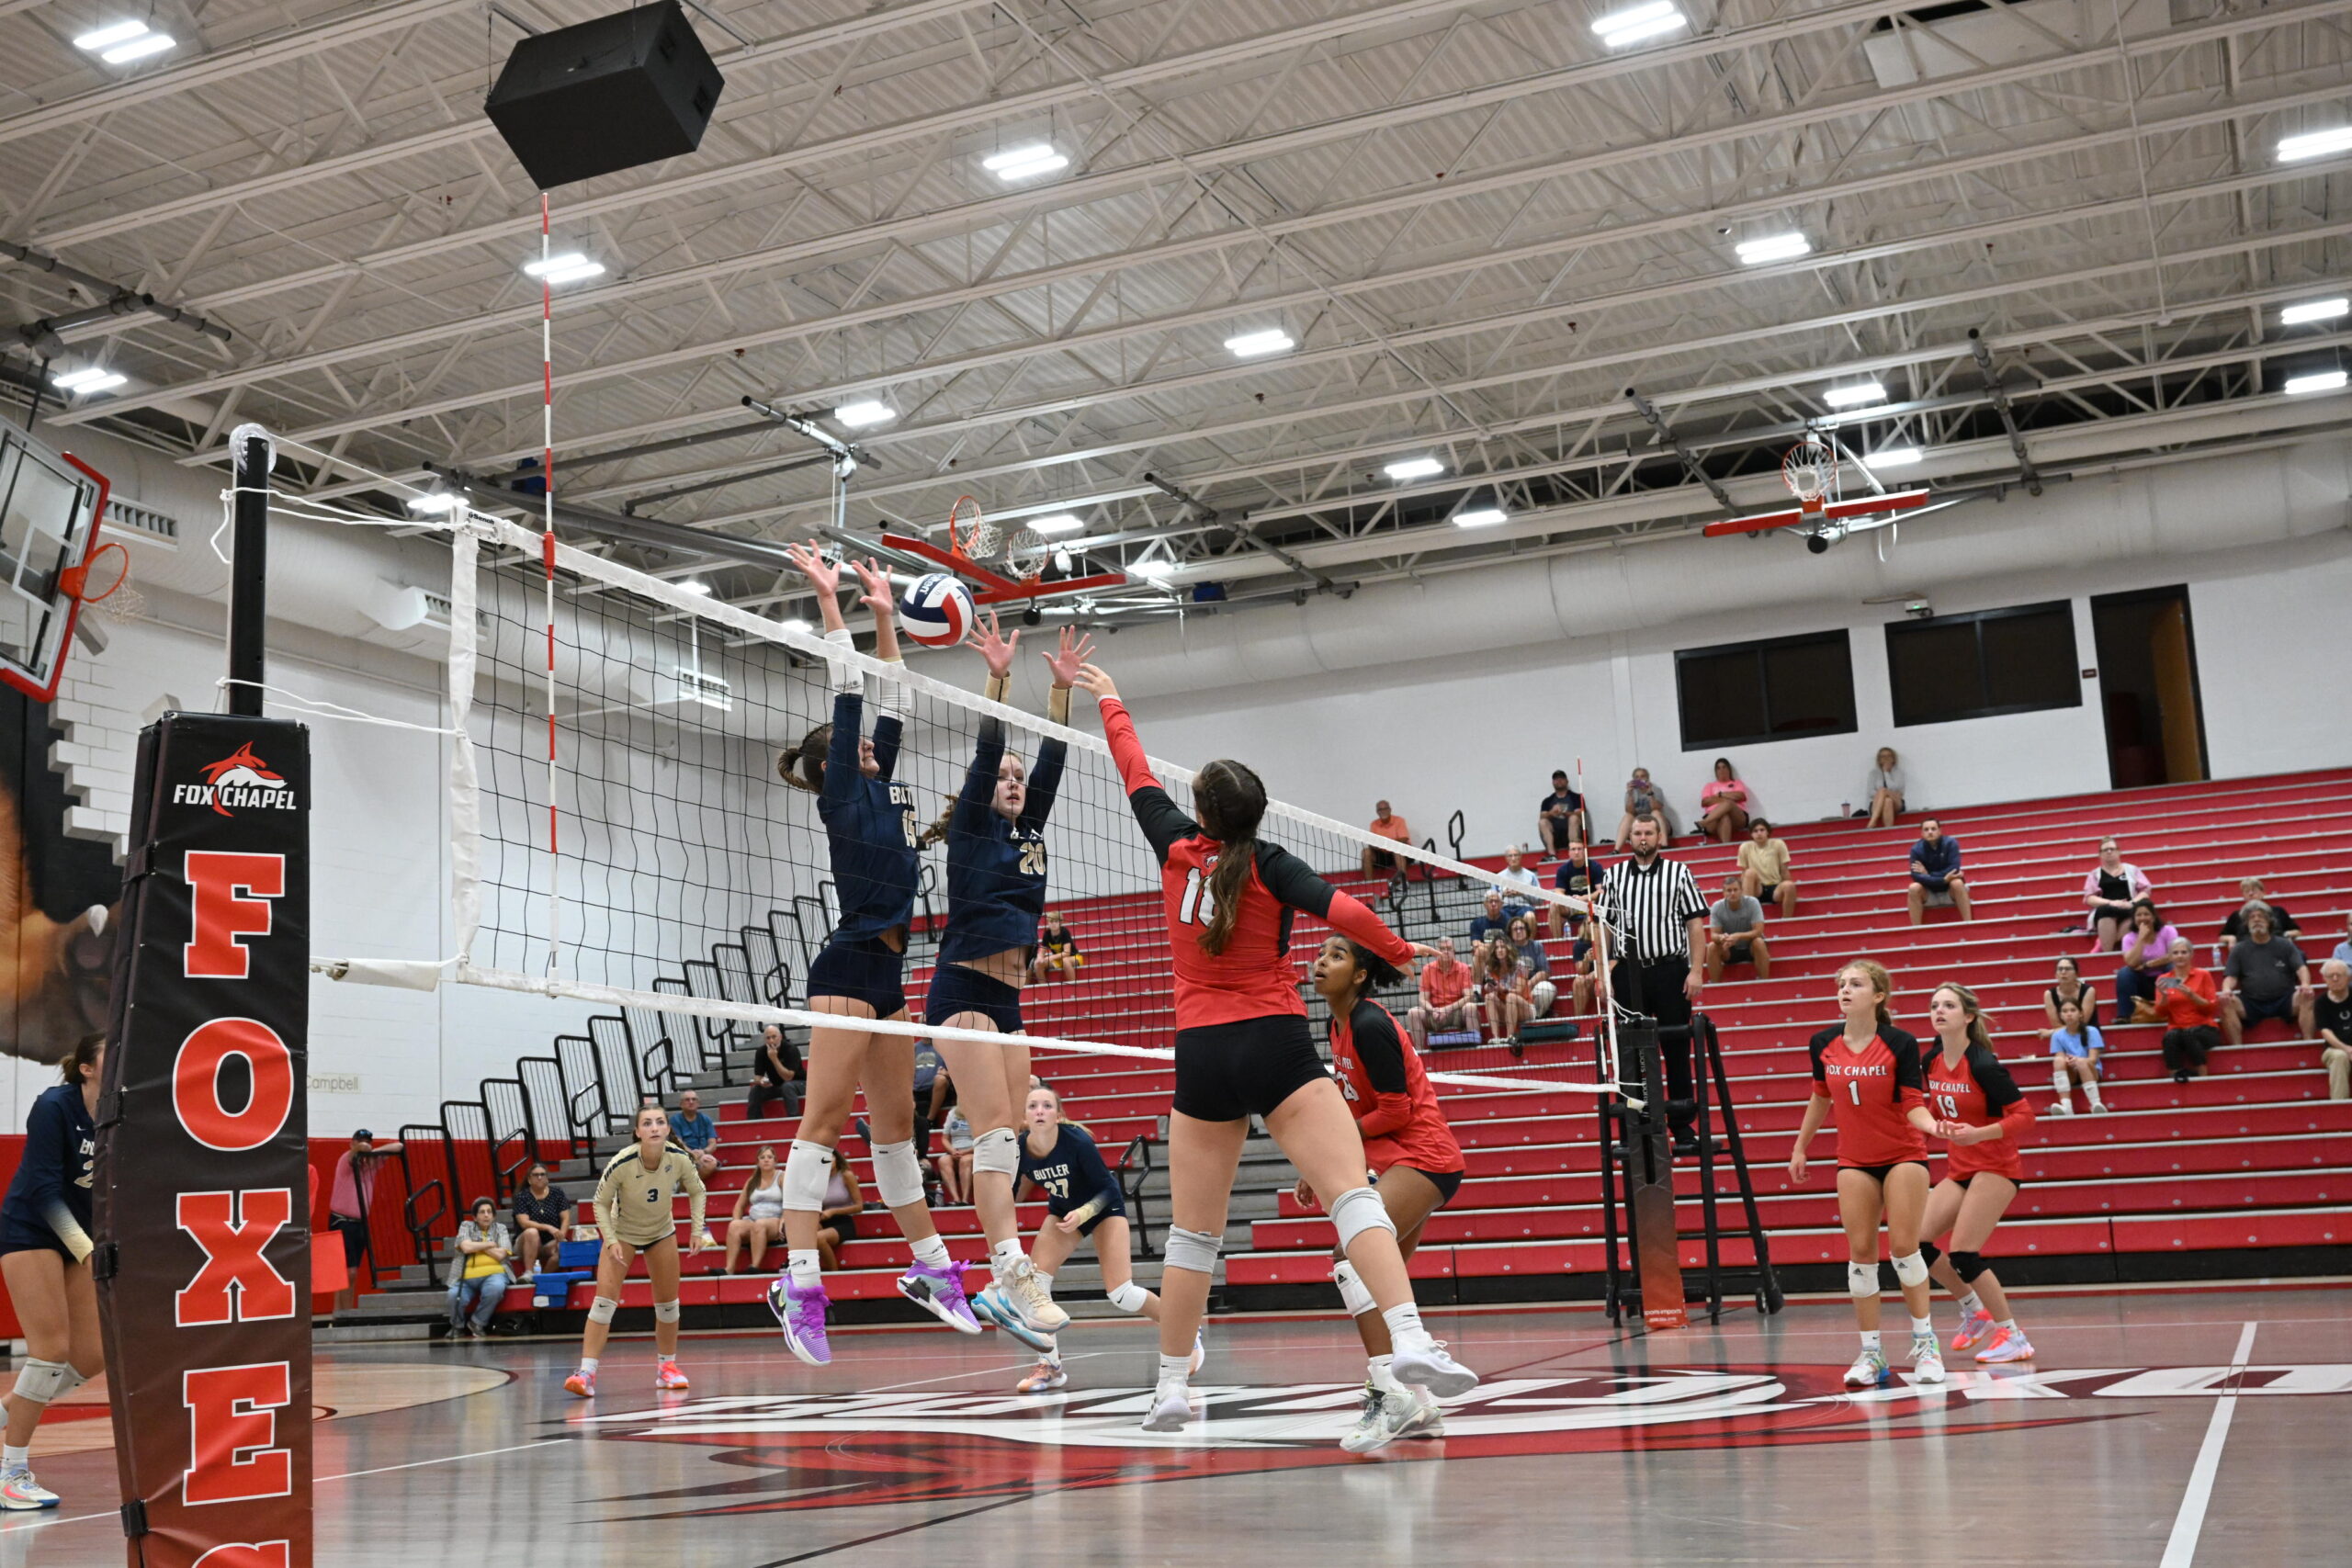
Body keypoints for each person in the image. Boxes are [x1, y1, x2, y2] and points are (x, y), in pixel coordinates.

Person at [1074, 658, 1476, 1436]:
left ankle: (1169, 1389)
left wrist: (1109, 696)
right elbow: (1350, 910)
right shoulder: (1268, 863)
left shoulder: (1172, 844)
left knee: (1193, 1235)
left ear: (1202, 812)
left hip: (1201, 1054)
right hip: (1274, 1041)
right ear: (1256, 814)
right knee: (1354, 1197)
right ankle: (1413, 1339)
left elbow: (1132, 771)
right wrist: (1398, 951)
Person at [766, 545, 978, 1365]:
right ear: (834, 766)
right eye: (857, 748)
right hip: (848, 966)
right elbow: (851, 685)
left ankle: (929, 1271)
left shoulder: (879, 779)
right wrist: (831, 602)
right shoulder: (846, 789)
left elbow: (892, 694)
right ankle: (799, 1281)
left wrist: (887, 609)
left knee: (896, 1133)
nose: (875, 751)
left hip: (889, 973)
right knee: (822, 1123)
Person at [914, 615, 1092, 1352]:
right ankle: (1008, 1266)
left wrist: (1058, 689)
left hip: (1009, 1000)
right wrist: (998, 677)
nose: (1015, 782)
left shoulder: (1027, 832)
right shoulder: (972, 834)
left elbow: (1052, 758)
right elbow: (992, 748)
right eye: (1005, 778)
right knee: (990, 1134)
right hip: (960, 991)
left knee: (1012, 1138)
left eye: (1020, 779)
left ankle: (1001, 1279)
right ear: (986, 790)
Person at [1306, 936, 1465, 1453]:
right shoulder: (1337, 1024)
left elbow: (1395, 1112)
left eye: (1336, 955)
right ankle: (1418, 1403)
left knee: (1351, 1259)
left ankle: (1390, 1393)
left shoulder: (1371, 1024)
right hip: (1403, 1159)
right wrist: (1322, 1158)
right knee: (1375, 1278)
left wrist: (1332, 1150)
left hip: (1424, 1157)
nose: (1319, 961)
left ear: (1358, 975)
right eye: (1321, 954)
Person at [1788, 961, 1944, 1389]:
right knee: (1860, 1256)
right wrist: (1802, 1146)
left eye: (1856, 984)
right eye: (1841, 983)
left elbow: (1913, 1101)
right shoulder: (1822, 1043)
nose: (1845, 989)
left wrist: (1934, 1128)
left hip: (1903, 1155)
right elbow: (1820, 1097)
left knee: (1903, 1249)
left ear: (1878, 996)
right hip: (1854, 1159)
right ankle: (1872, 1354)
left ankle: (1926, 1345)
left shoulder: (1900, 1043)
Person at [1000, 1085, 1195, 1394]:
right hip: (1063, 1212)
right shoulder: (1018, 1147)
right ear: (1023, 1117)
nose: (1039, 1111)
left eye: (1047, 1106)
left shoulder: (1077, 1142)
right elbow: (1007, 1189)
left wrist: (1084, 1211)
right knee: (1033, 1288)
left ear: (1059, 1115)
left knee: (1122, 1293)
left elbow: (1108, 1188)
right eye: (1033, 1106)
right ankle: (1050, 1366)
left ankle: (1186, 1334)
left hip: (1104, 1208)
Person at [0, 1034, 103, 1509]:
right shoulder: (54, 1106)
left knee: (92, 1354)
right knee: (50, 1351)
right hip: (32, 1230)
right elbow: (42, 1190)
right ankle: (12, 1471)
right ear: (86, 1068)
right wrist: (85, 1250)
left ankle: (7, 1414)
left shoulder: (127, 1112)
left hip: (80, 1237)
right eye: (112, 1053)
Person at [1919, 983, 2037, 1364]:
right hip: (1961, 1168)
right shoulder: (1931, 1060)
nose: (1939, 1010)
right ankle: (1974, 1310)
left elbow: (2025, 1117)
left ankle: (2015, 1336)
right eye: (1934, 1004)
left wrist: (1979, 1134)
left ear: (1967, 1016)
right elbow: (1941, 1108)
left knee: (1964, 1253)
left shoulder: (1984, 1064)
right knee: (1914, 1246)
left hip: (1997, 1167)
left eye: (1949, 1005)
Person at [565, 1105, 707, 1398]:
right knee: (604, 1303)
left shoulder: (679, 1159)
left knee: (668, 1305)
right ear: (637, 1132)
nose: (654, 1127)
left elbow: (698, 1191)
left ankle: (667, 1368)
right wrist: (611, 1238)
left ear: (668, 1129)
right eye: (647, 1123)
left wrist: (696, 1231)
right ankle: (586, 1372)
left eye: (659, 1122)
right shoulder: (622, 1162)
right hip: (623, 1233)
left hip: (660, 1232)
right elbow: (599, 1203)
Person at [1597, 814, 1710, 1155]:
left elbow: (1695, 925)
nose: (1643, 837)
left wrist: (1696, 971)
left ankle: (1682, 1125)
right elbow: (1602, 927)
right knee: (1631, 1053)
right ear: (1629, 837)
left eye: (1648, 832)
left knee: (1676, 1049)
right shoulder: (1614, 876)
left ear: (1659, 836)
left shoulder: (1679, 872)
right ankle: (1636, 1127)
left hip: (1670, 970)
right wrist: (1603, 973)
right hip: (1629, 974)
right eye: (1637, 832)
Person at [327, 1127, 404, 1313]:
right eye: (361, 1141)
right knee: (348, 1272)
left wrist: (372, 1153)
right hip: (342, 1221)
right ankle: (343, 1314)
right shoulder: (347, 1160)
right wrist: (360, 1149)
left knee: (351, 1273)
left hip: (359, 1223)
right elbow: (356, 1151)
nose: (365, 1144)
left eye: (369, 1141)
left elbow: (399, 1146)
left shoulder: (372, 1162)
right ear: (351, 1143)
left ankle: (341, 1314)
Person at [2221, 905, 2314, 1044]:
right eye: (2252, 917)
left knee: (2307, 996)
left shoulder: (2285, 945)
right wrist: (2227, 990)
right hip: (2251, 1002)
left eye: (2261, 916)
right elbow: (2231, 977)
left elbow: (2301, 968)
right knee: (2226, 1002)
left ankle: (2309, 1043)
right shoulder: (2239, 949)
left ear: (2270, 921)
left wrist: (2305, 984)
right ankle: (2237, 1048)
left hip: (2285, 999)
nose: (2256, 920)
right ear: (2246, 924)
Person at [2154, 937, 2222, 1083]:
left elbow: (2211, 1008)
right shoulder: (2164, 979)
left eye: (2184, 952)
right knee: (2170, 1037)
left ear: (2191, 955)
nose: (2180, 956)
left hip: (2204, 1027)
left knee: (2189, 1033)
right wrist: (2165, 997)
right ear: (2170, 956)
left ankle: (2203, 1076)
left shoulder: (2203, 975)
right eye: (2176, 952)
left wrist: (2192, 995)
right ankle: (2175, 1076)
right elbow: (2160, 1013)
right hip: (2177, 1028)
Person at [446, 1198, 513, 1339]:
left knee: (495, 1288)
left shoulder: (501, 1229)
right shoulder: (466, 1226)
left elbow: (501, 1255)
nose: (486, 1215)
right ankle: (457, 1327)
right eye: (482, 1212)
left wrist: (476, 1245)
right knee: (453, 1295)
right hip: (465, 1276)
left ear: (494, 1216)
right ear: (475, 1217)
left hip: (495, 1273)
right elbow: (465, 1247)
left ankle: (477, 1322)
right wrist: (489, 1244)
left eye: (489, 1212)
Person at [2114, 899, 2182, 1021]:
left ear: (2154, 916)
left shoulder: (2168, 931)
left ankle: (2177, 1008)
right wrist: (2140, 938)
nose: (2142, 918)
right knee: (2125, 973)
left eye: (2146, 914)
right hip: (2142, 983)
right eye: (2138, 915)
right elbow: (2131, 963)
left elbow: (2174, 955)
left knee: (2172, 967)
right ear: (2134, 919)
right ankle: (2125, 1015)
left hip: (2163, 979)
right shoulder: (2129, 938)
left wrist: (2147, 965)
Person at [1406, 935, 1477, 1050]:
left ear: (1454, 951)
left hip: (1456, 1012)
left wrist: (1447, 1009)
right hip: (1435, 1014)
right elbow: (1422, 999)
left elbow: (1469, 996)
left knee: (1471, 1007)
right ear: (1436, 952)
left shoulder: (1463, 968)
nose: (1445, 952)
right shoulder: (1427, 969)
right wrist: (1433, 1010)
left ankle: (1475, 1050)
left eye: (1449, 948)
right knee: (1413, 1013)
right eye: (1442, 949)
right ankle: (1420, 1053)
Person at [724, 1145, 786, 1275]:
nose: (766, 1160)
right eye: (762, 1157)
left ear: (775, 1161)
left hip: (775, 1219)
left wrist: (783, 1220)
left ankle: (754, 1266)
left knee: (760, 1225)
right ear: (757, 1162)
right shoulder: (752, 1180)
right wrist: (737, 1219)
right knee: (734, 1225)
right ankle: (729, 1268)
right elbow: (739, 1205)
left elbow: (790, 1202)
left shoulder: (782, 1177)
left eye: (770, 1157)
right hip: (753, 1220)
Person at [2081, 837, 2152, 951]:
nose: (2109, 852)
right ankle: (2108, 951)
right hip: (2107, 908)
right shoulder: (2094, 874)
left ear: (2119, 851)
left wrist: (2132, 903)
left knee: (2137, 912)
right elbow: (2089, 898)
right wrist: (2111, 903)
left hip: (2128, 907)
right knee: (2105, 910)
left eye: (2112, 849)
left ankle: (2103, 944)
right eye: (2105, 850)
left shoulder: (2132, 869)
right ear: (2100, 854)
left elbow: (2145, 891)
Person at [510, 1162, 571, 1280]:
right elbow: (524, 1222)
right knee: (531, 1232)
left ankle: (542, 1278)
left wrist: (561, 1236)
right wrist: (548, 1227)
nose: (539, 1177)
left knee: (563, 1248)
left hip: (549, 1242)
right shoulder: (522, 1197)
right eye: (535, 1175)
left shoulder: (557, 1193)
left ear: (547, 1178)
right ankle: (529, 1272)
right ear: (529, 1179)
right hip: (526, 1242)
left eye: (542, 1174)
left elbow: (566, 1218)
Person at [2047, 998, 2108, 1115]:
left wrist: (2078, 1061)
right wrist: (2068, 1061)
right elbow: (2060, 1057)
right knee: (2058, 1061)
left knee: (2081, 1062)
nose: (2069, 1014)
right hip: (2072, 1073)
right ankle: (2066, 1106)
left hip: (2091, 1070)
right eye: (2065, 1011)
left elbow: (2093, 1059)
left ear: (2080, 1013)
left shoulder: (2092, 1031)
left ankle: (2096, 1104)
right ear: (2061, 1015)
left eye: (2072, 1010)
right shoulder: (2057, 1035)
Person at [1905, 818, 1973, 924]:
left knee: (1957, 883)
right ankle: (1916, 929)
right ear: (1922, 833)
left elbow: (1954, 869)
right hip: (1928, 893)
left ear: (1940, 831)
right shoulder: (1916, 849)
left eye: (1933, 829)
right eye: (1926, 830)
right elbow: (1916, 876)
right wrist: (1943, 879)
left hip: (1950, 892)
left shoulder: (1951, 843)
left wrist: (1928, 874)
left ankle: (1969, 924)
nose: (1930, 832)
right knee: (1913, 888)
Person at [1706, 874, 1771, 982]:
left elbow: (1759, 931)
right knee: (1712, 946)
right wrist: (1723, 938)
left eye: (1735, 890)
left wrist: (1738, 936)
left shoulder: (1753, 902)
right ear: (1724, 893)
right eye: (1729, 890)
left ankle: (1764, 982)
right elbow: (1713, 935)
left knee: (1759, 942)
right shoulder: (1717, 906)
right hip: (1729, 949)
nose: (1732, 893)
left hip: (1751, 947)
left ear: (1741, 890)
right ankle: (1715, 985)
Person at [1476, 931, 1534, 1048]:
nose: (1500, 950)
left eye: (1503, 947)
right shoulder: (1490, 968)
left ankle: (1510, 1037)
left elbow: (1518, 990)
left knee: (1511, 997)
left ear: (1508, 948)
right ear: (1493, 951)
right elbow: (1490, 989)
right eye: (1497, 948)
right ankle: (1495, 1038)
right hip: (1505, 1009)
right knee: (1489, 997)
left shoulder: (1520, 966)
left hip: (1524, 1008)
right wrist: (1489, 988)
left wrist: (1503, 989)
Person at [2218, 877, 2301, 958]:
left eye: (2254, 890)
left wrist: (2286, 935)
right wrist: (2231, 938)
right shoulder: (2237, 915)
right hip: (2247, 953)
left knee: (2300, 955)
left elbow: (2297, 931)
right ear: (2243, 895)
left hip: (2277, 950)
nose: (2251, 894)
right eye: (2247, 891)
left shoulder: (2278, 911)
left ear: (2263, 893)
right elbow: (2222, 936)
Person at [1737, 819, 1798, 918]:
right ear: (1751, 834)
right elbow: (1743, 874)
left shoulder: (1778, 844)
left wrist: (1791, 893)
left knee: (1789, 885)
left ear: (1768, 832)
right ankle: (1747, 917)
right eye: (1755, 831)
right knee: (1749, 873)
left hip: (1775, 888)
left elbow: (1784, 870)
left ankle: (1787, 919)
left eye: (1762, 830)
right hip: (1757, 888)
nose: (1759, 833)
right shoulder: (1745, 847)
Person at [816, 1147, 864, 1272]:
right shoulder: (818, 1180)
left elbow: (859, 1206)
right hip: (823, 1221)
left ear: (836, 1158)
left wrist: (833, 1211)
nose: (828, 1161)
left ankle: (834, 1273)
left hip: (843, 1222)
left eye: (830, 1157)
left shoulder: (846, 1176)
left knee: (818, 1238)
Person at [1548, 839, 1603, 941]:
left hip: (1590, 903)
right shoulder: (1562, 870)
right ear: (1569, 852)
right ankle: (1558, 942)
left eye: (1579, 849)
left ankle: (1596, 940)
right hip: (1571, 905)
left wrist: (1583, 898)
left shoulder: (1595, 867)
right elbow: (1558, 891)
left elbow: (1601, 891)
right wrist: (1569, 899)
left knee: (1598, 902)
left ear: (1584, 851)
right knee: (1553, 905)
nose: (1576, 852)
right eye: (1573, 849)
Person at [2039, 955, 2101, 1045]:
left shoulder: (2088, 990)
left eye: (2068, 969)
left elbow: (2082, 1022)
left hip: (2088, 1035)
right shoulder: (2049, 994)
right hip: (2064, 1037)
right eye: (2060, 969)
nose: (2063, 972)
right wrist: (2056, 1031)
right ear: (2055, 974)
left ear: (2077, 973)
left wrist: (2051, 1032)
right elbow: (2056, 1025)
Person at [746, 1024, 803, 1120]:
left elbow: (788, 1077)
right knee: (755, 1090)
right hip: (777, 1085)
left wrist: (774, 1059)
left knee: (787, 1086)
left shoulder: (791, 1049)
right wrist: (761, 1081)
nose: (771, 1041)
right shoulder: (761, 1052)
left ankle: (793, 1119)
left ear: (780, 1037)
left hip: (799, 1083)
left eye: (774, 1037)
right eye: (768, 1038)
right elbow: (757, 1076)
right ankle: (754, 1122)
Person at [1505, 915, 1556, 1020]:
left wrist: (1528, 985)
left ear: (1527, 930)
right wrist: (1518, 988)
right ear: (1510, 933)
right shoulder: (1507, 949)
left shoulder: (1536, 946)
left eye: (1521, 928)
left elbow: (1545, 972)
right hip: (1515, 988)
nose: (1519, 931)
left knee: (1548, 989)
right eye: (1515, 929)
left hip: (1533, 986)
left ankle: (1535, 1016)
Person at [2314, 960, 2352, 1100]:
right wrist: (2347, 1049)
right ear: (2324, 979)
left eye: (2339, 975)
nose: (2335, 979)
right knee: (2339, 1057)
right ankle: (2339, 1105)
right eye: (2331, 976)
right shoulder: (2321, 1002)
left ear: (2348, 977)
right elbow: (2325, 1031)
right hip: (2334, 1049)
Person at [1697, 757, 1752, 843]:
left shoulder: (1737, 783)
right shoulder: (1710, 786)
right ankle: (1726, 847)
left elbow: (1741, 796)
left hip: (1737, 817)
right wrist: (1729, 797)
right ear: (1716, 772)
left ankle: (1704, 823)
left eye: (1724, 767)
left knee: (1729, 803)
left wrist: (1720, 795)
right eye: (1718, 768)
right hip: (1714, 821)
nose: (1721, 770)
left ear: (1729, 769)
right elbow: (1705, 802)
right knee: (1724, 816)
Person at [1614, 767, 1670, 849]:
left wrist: (1650, 792)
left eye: (1642, 776)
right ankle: (1616, 849)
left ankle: (1664, 844)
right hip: (1639, 826)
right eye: (1637, 777)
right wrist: (1630, 794)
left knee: (1656, 812)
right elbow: (1630, 811)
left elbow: (1657, 807)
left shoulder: (1656, 790)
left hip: (1656, 824)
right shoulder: (1631, 792)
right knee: (1628, 816)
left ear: (1647, 778)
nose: (1640, 779)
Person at [671, 1089, 720, 1179]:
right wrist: (692, 1154)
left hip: (702, 1156)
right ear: (681, 1104)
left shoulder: (706, 1119)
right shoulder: (675, 1120)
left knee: (711, 1163)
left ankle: (684, 1186)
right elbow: (678, 1143)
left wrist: (703, 1152)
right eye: (687, 1099)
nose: (691, 1102)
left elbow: (713, 1144)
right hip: (684, 1157)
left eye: (694, 1099)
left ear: (698, 1103)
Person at [933, 1099, 975, 1204]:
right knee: (943, 1160)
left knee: (965, 1161)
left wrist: (965, 1152)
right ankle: (956, 1198)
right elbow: (945, 1138)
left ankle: (965, 1199)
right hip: (955, 1151)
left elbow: (981, 1139)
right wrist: (952, 1151)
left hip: (973, 1150)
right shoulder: (952, 1113)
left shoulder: (978, 1113)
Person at [1536, 772, 1588, 855]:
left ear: (1567, 781)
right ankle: (1552, 855)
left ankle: (1575, 851)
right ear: (1553, 782)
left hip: (1576, 836)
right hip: (1556, 837)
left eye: (1562, 778)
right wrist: (1551, 813)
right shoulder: (1548, 801)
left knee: (1573, 818)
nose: (1559, 780)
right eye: (1556, 779)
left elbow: (1580, 815)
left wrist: (1564, 812)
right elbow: (1542, 817)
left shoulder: (1576, 797)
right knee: (1542, 822)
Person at [1363, 799, 1414, 880]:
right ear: (1377, 812)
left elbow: (1404, 839)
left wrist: (1388, 846)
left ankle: (1404, 883)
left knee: (1397, 850)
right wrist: (1381, 847)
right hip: (1383, 854)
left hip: (1401, 852)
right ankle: (1369, 884)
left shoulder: (1399, 820)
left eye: (1385, 808)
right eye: (1380, 809)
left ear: (1390, 810)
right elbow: (1372, 843)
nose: (1383, 811)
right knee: (1366, 852)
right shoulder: (1374, 824)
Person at [1031, 909, 1084, 981]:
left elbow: (1067, 953)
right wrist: (1040, 958)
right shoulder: (1047, 934)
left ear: (1061, 922)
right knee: (1037, 963)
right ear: (1048, 923)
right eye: (1051, 921)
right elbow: (1042, 951)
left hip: (1074, 957)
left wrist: (1051, 957)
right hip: (1058, 959)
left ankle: (1073, 984)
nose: (1054, 924)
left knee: (1065, 960)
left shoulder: (1064, 932)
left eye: (1056, 921)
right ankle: (1043, 987)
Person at [1493, 846, 1542, 921]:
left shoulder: (1531, 876)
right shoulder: (1498, 877)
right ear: (1506, 858)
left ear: (1521, 857)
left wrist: (1523, 893)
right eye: (1510, 856)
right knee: (1497, 917)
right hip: (1504, 908)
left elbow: (1539, 900)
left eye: (1516, 855)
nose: (1513, 858)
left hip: (1524, 907)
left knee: (1530, 916)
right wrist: (1503, 894)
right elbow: (1492, 899)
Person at [1863, 747, 1906, 829]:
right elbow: (1871, 793)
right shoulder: (1873, 773)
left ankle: (1873, 821)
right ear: (1879, 760)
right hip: (1876, 803)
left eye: (1889, 756)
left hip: (1897, 802)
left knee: (1883, 791)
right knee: (1887, 801)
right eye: (1883, 756)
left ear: (1894, 759)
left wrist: (1886, 772)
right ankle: (1888, 830)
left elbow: (1897, 789)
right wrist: (1882, 795)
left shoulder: (1899, 772)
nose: (1886, 759)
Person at [1466, 889, 1512, 959]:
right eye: (1490, 901)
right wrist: (1497, 946)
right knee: (1479, 951)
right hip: (1486, 956)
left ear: (1501, 904)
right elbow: (1475, 944)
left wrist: (1485, 945)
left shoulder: (1509, 922)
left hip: (1505, 957)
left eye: (1496, 901)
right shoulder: (1476, 923)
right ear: (1485, 905)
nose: (1493, 904)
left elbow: (1511, 945)